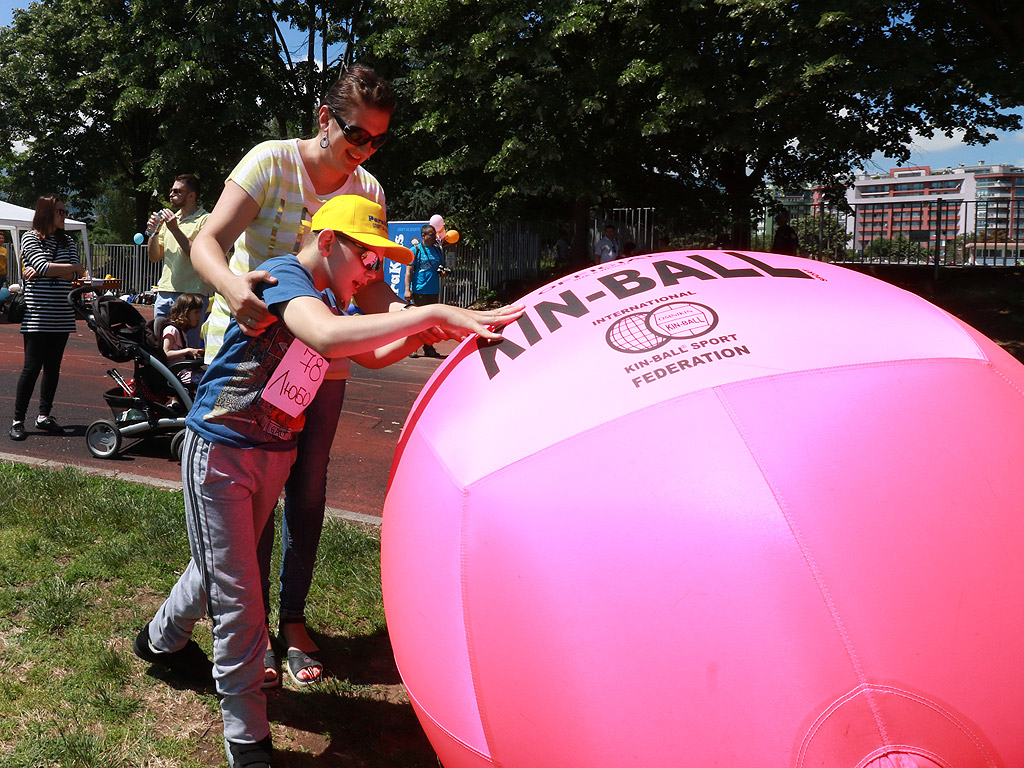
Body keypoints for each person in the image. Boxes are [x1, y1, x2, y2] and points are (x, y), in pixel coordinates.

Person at [133, 194, 522, 768]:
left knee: (219, 565)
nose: (374, 271)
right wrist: (432, 314)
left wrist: (437, 336)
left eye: (378, 262)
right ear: (328, 243)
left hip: (273, 455)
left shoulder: (328, 299)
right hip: (220, 452)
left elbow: (376, 351)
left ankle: (159, 641)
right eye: (366, 257)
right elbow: (328, 339)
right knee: (240, 602)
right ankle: (249, 743)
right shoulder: (289, 278)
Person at [188, 63, 403, 695]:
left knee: (307, 493)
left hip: (318, 363)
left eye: (378, 140)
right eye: (356, 135)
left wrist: (430, 328)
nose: (364, 152)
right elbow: (209, 241)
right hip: (251, 363)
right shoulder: (270, 162)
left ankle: (291, 620)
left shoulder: (369, 189)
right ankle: (249, 628)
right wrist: (233, 290)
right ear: (323, 117)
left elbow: (372, 290)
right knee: (251, 501)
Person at [9, 195, 86, 441]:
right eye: (60, 212)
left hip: (62, 314)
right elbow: (45, 267)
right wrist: (65, 268)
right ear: (46, 212)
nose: (64, 216)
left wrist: (54, 268)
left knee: (53, 368)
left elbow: (77, 273)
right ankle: (17, 420)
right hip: (37, 313)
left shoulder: (69, 241)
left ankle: (44, 416)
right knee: (31, 368)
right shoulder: (30, 237)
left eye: (65, 211)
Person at [147, 174, 212, 347]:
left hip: (192, 295)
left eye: (177, 191)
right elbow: (154, 256)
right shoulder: (170, 221)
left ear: (192, 195)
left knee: (188, 350)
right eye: (171, 190)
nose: (171, 194)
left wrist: (175, 229)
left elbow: (199, 254)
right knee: (160, 348)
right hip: (165, 292)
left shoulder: (205, 220)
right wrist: (154, 231)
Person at [403, 223, 447, 358]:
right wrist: (407, 290)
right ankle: (413, 347)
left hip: (433, 289)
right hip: (420, 289)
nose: (434, 237)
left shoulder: (437, 250)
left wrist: (442, 272)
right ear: (423, 235)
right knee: (418, 320)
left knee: (431, 321)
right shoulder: (415, 250)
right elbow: (408, 272)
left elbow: (440, 267)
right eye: (431, 235)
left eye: (435, 235)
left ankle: (428, 347)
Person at [161, 293, 205, 386]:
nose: (199, 316)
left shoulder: (182, 331)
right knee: (207, 381)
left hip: (184, 369)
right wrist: (187, 351)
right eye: (196, 312)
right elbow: (166, 353)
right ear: (185, 312)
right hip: (176, 372)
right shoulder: (172, 330)